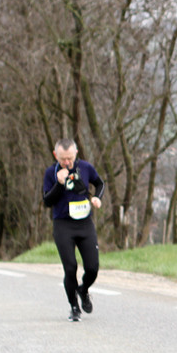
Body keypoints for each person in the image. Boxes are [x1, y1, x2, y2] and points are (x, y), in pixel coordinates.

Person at [42, 138, 104, 322]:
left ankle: (83, 290)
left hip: (84, 223)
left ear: (76, 153)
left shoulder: (85, 168)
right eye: (63, 159)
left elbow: (100, 183)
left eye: (70, 158)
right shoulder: (51, 173)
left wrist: (97, 198)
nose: (67, 162)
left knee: (92, 268)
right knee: (70, 268)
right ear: (56, 155)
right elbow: (47, 201)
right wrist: (59, 184)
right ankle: (74, 307)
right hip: (63, 225)